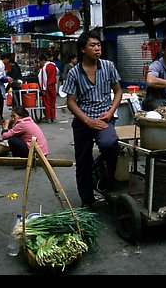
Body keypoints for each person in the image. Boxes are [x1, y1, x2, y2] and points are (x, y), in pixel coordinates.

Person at [62, 30, 123, 208]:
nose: (97, 48)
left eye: (99, 45)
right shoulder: (74, 73)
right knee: (82, 162)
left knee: (109, 144)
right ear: (82, 49)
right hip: (83, 120)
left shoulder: (108, 66)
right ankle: (87, 200)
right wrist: (88, 121)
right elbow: (71, 102)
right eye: (92, 45)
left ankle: (106, 175)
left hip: (105, 118)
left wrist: (111, 112)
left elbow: (118, 91)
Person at [38, 53, 57, 123]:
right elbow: (57, 72)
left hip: (47, 86)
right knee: (53, 102)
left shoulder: (44, 68)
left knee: (46, 102)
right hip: (53, 85)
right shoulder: (53, 65)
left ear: (42, 60)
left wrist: (43, 89)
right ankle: (53, 117)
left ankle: (48, 117)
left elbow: (43, 79)